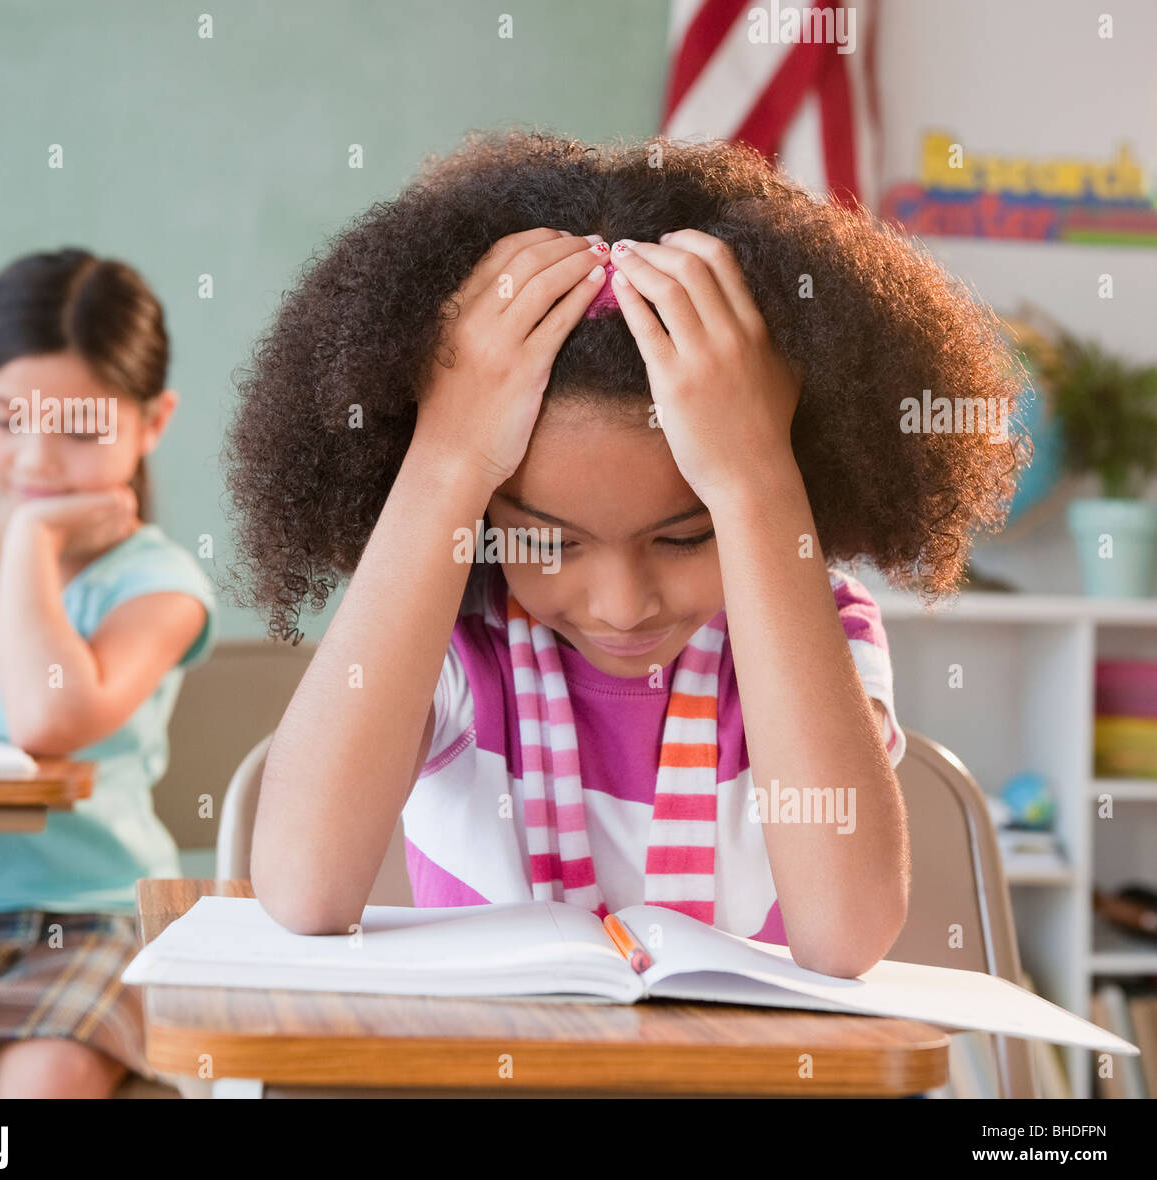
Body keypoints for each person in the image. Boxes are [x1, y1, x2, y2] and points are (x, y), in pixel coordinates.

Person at [225, 131, 1028, 976]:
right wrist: (447, 457)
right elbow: (304, 889)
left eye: (686, 535)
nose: (621, 602)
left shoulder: (817, 629)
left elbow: (845, 933)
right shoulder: (452, 637)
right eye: (545, 539)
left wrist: (758, 475)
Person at [0, 248, 215, 1097]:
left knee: (46, 1078)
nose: (37, 459)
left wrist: (30, 540)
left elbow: (46, 720)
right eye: (6, 416)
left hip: (91, 914)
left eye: (81, 428)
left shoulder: (162, 584)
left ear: (152, 421)